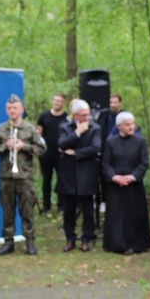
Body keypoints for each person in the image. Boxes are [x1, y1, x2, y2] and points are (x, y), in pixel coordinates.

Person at [0, 94, 45, 256]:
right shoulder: (1, 129)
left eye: (15, 108)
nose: (12, 111)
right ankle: (8, 242)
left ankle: (29, 242)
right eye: (9, 108)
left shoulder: (29, 129)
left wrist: (24, 146)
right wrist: (4, 146)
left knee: (27, 210)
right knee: (7, 212)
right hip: (6, 177)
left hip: (24, 177)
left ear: (21, 110)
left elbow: (42, 149)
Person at [101, 112, 150, 254]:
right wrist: (114, 177)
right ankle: (116, 243)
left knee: (135, 213)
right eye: (127, 125)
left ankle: (137, 244)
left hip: (134, 184)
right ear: (119, 127)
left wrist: (132, 177)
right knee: (116, 214)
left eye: (132, 124)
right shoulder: (110, 142)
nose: (131, 127)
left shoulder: (140, 141)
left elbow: (144, 162)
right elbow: (105, 164)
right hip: (115, 184)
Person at [57, 99, 102, 252]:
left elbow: (95, 148)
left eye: (88, 114)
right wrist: (77, 133)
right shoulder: (65, 127)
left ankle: (86, 238)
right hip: (68, 174)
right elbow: (61, 144)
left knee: (88, 209)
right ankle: (70, 238)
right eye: (83, 115)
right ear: (75, 115)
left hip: (87, 173)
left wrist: (75, 153)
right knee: (68, 209)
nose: (87, 118)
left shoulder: (95, 128)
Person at [36, 92, 68, 214]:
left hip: (61, 154)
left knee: (61, 180)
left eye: (59, 101)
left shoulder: (66, 118)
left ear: (63, 103)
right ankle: (46, 206)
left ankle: (61, 205)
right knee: (46, 180)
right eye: (55, 100)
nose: (56, 102)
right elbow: (38, 134)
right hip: (45, 154)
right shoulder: (44, 116)